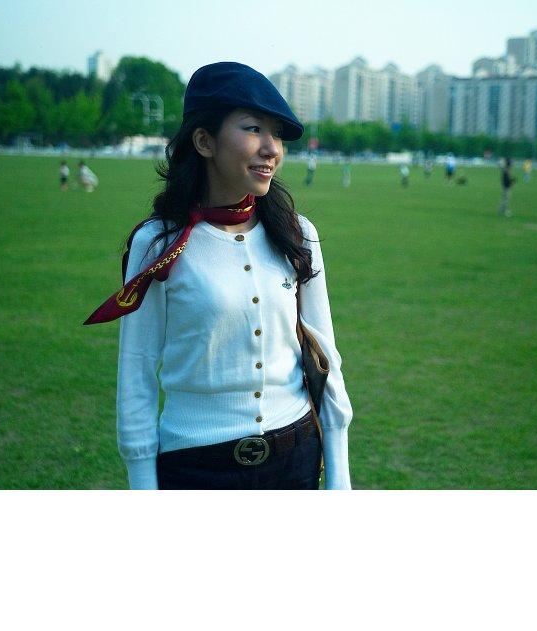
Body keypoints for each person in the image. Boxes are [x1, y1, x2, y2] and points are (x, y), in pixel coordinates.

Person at [84, 62, 353, 490]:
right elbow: (137, 371)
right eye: (253, 129)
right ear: (204, 141)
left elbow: (325, 355)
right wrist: (141, 482)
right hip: (196, 466)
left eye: (277, 134)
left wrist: (339, 477)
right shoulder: (158, 243)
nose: (272, 149)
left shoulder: (297, 233)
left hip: (296, 457)